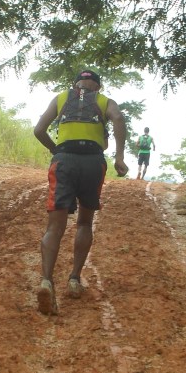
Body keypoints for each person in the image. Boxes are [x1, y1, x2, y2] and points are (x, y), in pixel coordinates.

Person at [33, 68, 128, 315]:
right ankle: (74, 279)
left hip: (64, 160)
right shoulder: (105, 101)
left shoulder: (61, 98)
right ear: (98, 85)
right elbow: (117, 118)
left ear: (76, 83)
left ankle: (46, 281)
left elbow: (38, 130)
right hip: (92, 162)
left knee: (54, 226)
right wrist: (119, 157)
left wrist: (56, 150)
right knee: (85, 223)